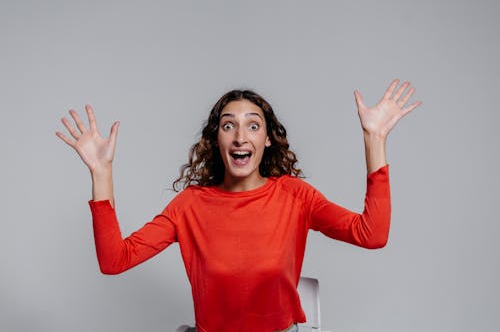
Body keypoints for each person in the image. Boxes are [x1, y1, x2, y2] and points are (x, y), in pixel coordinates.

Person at [56, 80, 421, 332]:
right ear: (216, 140)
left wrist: (374, 139)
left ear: (266, 140)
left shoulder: (294, 196)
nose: (240, 136)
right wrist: (101, 173)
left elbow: (371, 234)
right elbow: (114, 260)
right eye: (228, 126)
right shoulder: (191, 206)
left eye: (252, 125)